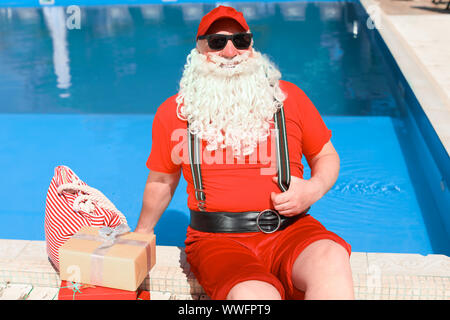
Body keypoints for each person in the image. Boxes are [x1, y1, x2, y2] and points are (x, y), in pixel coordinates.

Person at [135, 5, 354, 300]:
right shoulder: (174, 113)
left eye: (240, 40)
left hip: (292, 231)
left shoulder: (289, 99)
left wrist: (313, 189)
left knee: (331, 257)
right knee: (255, 296)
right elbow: (162, 181)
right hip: (219, 241)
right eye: (217, 42)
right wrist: (142, 233)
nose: (230, 51)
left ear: (251, 47)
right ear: (199, 51)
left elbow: (325, 155)